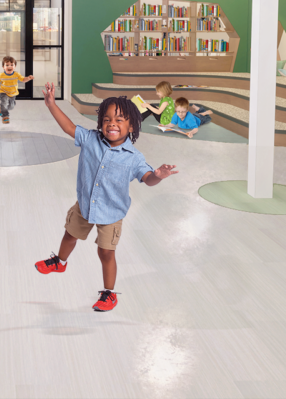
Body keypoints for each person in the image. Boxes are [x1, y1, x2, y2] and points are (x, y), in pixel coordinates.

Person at [34, 83, 178, 312]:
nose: (112, 123)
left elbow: (147, 178)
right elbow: (69, 127)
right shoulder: (91, 139)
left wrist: (158, 175)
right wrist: (51, 104)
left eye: (120, 119)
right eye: (107, 119)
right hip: (84, 205)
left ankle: (108, 294)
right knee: (69, 235)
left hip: (111, 213)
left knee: (106, 252)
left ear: (132, 125)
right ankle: (59, 263)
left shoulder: (134, 157)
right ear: (100, 123)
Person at [0, 55, 34, 124]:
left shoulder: (16, 74)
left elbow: (23, 80)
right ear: (3, 67)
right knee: (4, 103)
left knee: (11, 107)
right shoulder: (1, 75)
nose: (9, 66)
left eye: (12, 65)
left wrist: (28, 78)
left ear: (15, 66)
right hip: (3, 92)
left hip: (13, 93)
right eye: (7, 65)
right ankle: (5, 117)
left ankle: (1, 108)